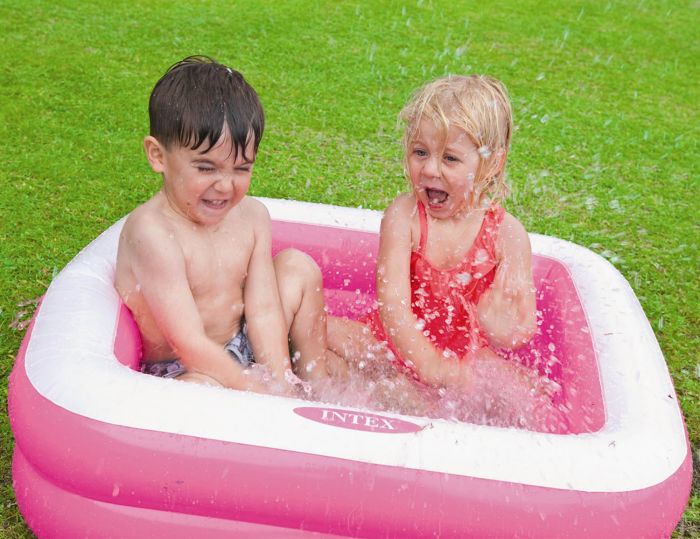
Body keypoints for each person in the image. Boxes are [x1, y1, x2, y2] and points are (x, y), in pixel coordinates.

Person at [328, 75, 556, 420]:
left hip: (466, 359)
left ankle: (417, 402)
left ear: (492, 163)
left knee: (532, 398)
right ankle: (401, 393)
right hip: (392, 344)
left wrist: (502, 330)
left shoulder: (507, 235)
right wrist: (429, 364)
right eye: (420, 152)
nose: (430, 169)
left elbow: (521, 328)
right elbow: (393, 309)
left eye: (450, 159)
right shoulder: (404, 217)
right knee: (316, 328)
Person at [115, 56, 334, 394]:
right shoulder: (153, 234)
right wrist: (254, 392)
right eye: (206, 169)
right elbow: (188, 343)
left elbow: (262, 310)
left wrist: (280, 382)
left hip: (240, 344)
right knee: (198, 393)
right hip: (186, 368)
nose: (225, 186)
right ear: (158, 156)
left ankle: (319, 388)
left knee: (297, 266)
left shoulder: (252, 216)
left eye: (241, 168)